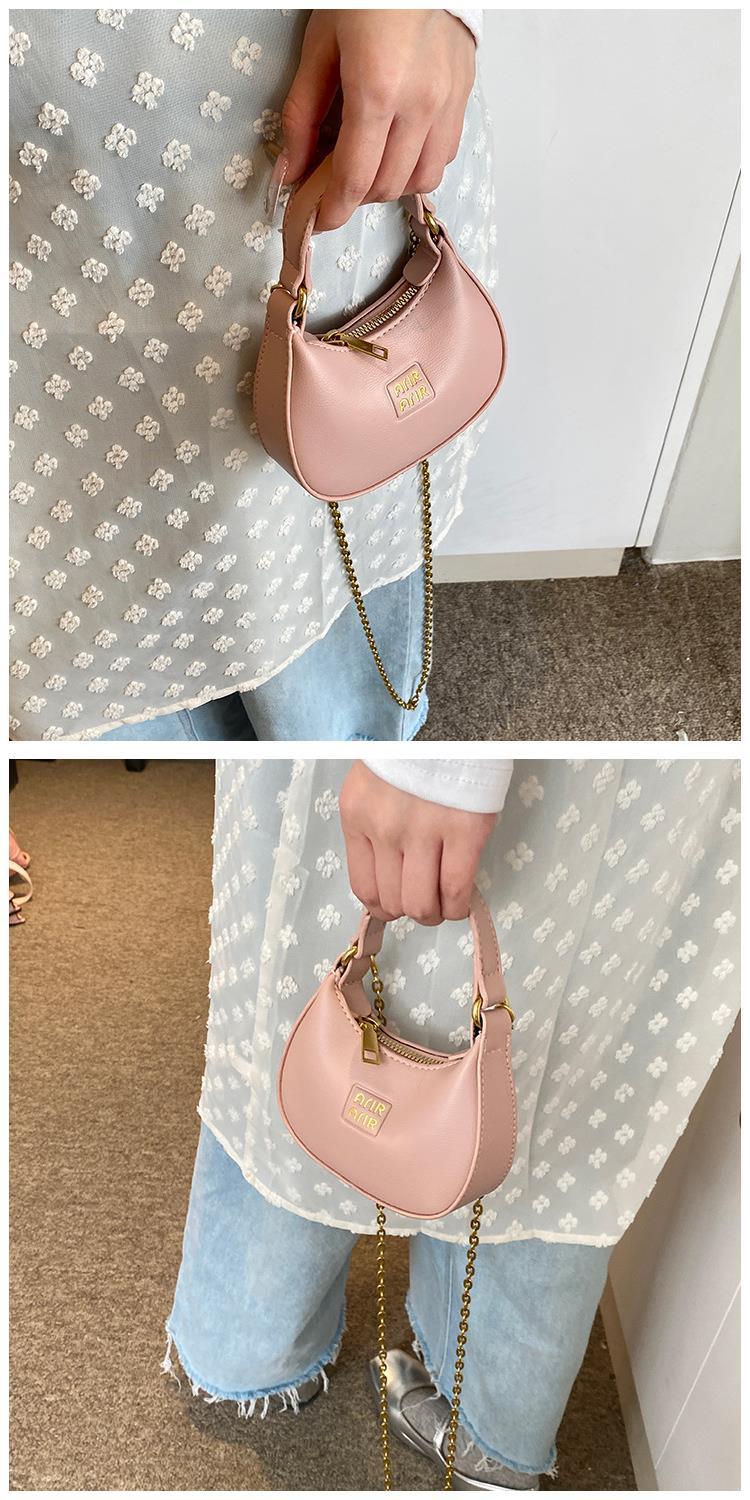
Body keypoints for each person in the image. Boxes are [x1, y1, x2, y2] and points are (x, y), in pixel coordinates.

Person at [165, 757, 740, 1489]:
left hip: (440, 780)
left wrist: (435, 768)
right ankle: (492, 1432)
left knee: (309, 934)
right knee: (562, 1073)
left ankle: (251, 1342)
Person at [9, 9, 487, 741]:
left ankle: (352, 741)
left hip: (325, 83)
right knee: (99, 552)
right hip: (44, 193)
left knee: (320, 531)